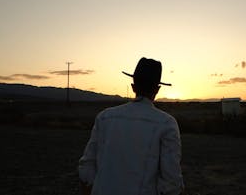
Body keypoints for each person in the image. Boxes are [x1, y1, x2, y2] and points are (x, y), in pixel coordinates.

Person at [78, 57, 184, 195]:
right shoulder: (166, 123)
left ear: (133, 86)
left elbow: (86, 168)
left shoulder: (105, 117)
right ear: (157, 90)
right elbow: (172, 181)